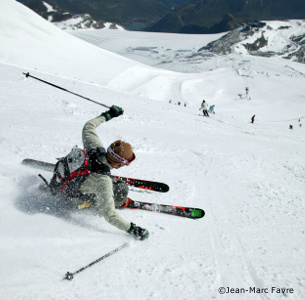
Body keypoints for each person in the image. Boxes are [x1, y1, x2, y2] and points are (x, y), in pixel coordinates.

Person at [52, 105, 149, 240]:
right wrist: (133, 229)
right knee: (121, 189)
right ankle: (103, 202)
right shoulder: (104, 181)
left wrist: (108, 115)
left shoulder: (95, 148)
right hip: (74, 199)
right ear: (119, 163)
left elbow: (88, 127)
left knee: (106, 185)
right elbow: (110, 216)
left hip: (66, 183)